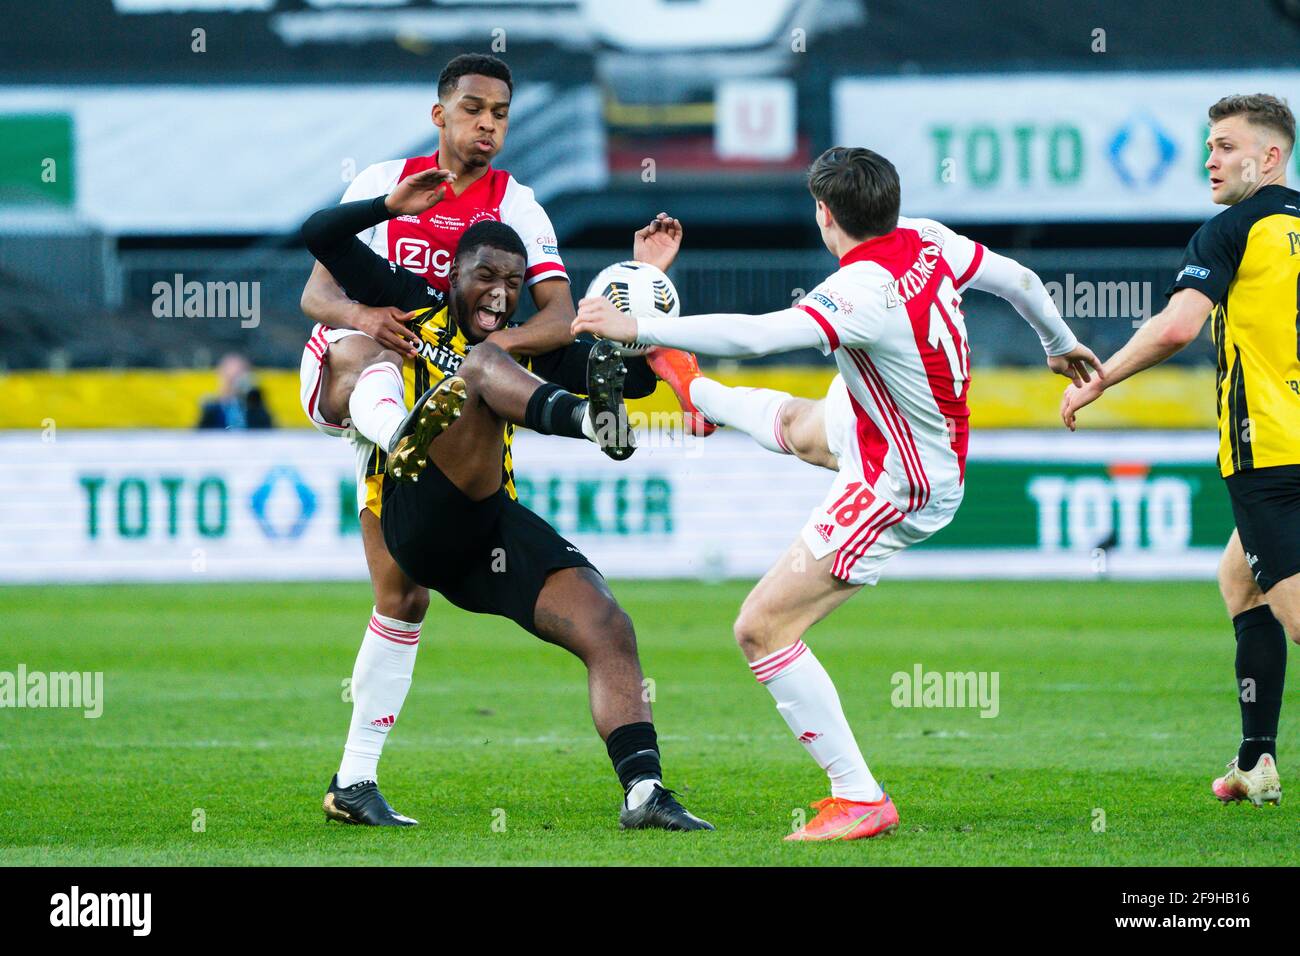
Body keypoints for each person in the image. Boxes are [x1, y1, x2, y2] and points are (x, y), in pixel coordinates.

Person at [575, 146, 1100, 841]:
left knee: (761, 627)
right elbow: (1023, 279)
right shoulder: (929, 239)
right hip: (888, 424)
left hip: (900, 481)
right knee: (794, 423)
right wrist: (1058, 342)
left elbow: (759, 335)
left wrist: (637, 325)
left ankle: (859, 796)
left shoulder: (860, 293)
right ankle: (693, 391)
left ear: (825, 213)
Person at [300, 167, 712, 832]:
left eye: (513, 283)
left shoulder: (527, 343)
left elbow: (631, 380)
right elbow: (319, 235)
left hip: (484, 529)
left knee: (607, 623)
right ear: (453, 274)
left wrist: (643, 295)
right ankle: (583, 425)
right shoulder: (411, 300)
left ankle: (644, 791)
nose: (499, 293)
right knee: (486, 365)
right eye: (484, 276)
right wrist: (386, 204)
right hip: (413, 504)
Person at [1061, 93, 1300, 807]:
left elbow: (1176, 328)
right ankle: (1255, 759)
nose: (1211, 158)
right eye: (1210, 146)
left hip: (1271, 450)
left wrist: (1098, 378)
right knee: (1240, 581)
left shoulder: (1231, 228)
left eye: (1227, 146)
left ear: (1271, 157)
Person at [197, 353, 273, 430]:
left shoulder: (256, 409)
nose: (234, 383)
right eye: (229, 377)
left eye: (238, 376)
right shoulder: (212, 410)